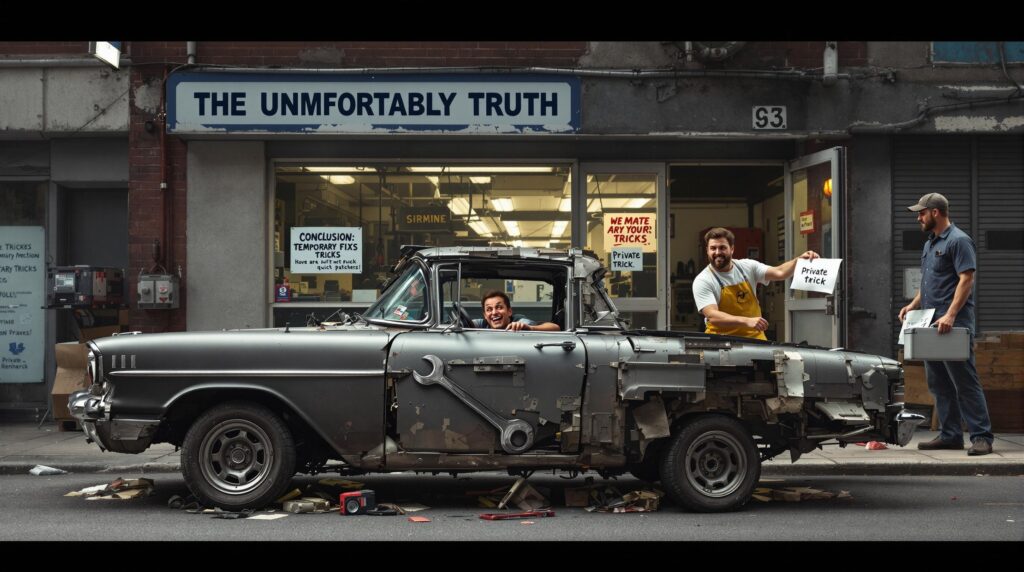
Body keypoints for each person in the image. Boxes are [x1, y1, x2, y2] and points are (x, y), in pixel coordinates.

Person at [899, 192, 993, 456]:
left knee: (965, 381)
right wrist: (913, 304)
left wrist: (951, 314)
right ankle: (951, 435)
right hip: (931, 322)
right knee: (938, 383)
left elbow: (966, 280)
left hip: (952, 324)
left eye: (921, 213)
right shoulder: (931, 243)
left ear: (935, 212)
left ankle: (982, 436)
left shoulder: (959, 241)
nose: (919, 217)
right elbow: (931, 281)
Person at [693, 227, 819, 340]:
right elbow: (713, 316)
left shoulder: (747, 266)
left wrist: (799, 261)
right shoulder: (703, 280)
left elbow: (780, 272)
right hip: (722, 343)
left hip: (755, 340)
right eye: (713, 248)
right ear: (707, 251)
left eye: (722, 247)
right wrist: (746, 321)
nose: (717, 252)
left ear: (732, 249)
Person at [472, 290, 560, 331]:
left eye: (499, 307)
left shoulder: (519, 321)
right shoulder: (482, 324)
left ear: (509, 311)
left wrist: (529, 328)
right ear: (485, 315)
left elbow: (556, 328)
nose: (494, 313)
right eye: (489, 309)